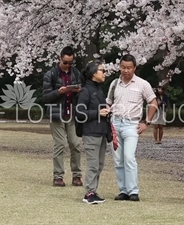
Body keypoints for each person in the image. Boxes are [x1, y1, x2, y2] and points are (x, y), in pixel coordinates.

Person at [106, 54, 158, 201]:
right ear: (119, 67)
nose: (126, 70)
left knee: (129, 157)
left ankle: (133, 191)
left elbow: (153, 103)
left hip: (131, 125)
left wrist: (146, 122)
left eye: (129, 68)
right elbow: (108, 102)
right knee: (118, 160)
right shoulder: (114, 84)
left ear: (134, 68)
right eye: (123, 67)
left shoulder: (142, 84)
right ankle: (123, 190)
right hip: (115, 123)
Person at [42, 46, 83, 187]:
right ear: (60, 58)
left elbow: (81, 92)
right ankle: (58, 176)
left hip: (72, 113)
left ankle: (77, 175)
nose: (68, 65)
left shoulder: (76, 73)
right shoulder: (51, 75)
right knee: (60, 144)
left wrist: (78, 90)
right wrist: (58, 92)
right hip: (56, 113)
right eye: (65, 62)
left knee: (75, 144)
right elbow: (45, 97)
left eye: (71, 63)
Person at [76, 60, 110, 204]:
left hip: (101, 132)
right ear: (93, 73)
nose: (104, 73)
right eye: (102, 70)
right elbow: (79, 112)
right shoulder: (85, 91)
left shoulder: (98, 90)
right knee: (93, 164)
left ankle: (93, 191)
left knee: (100, 165)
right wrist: (98, 112)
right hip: (91, 133)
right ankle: (89, 193)